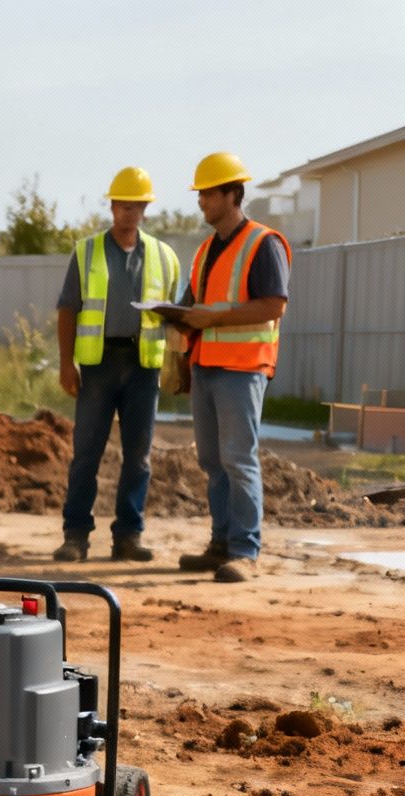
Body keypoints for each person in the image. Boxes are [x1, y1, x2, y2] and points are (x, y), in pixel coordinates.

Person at [52, 167, 183, 564]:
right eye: (122, 204)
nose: (128, 212)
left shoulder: (164, 257)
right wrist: (65, 363)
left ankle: (128, 535)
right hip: (99, 364)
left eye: (136, 205)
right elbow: (68, 310)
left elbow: (175, 316)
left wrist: (177, 366)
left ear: (145, 209)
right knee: (86, 453)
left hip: (143, 366)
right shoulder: (87, 251)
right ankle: (76, 535)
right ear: (112, 207)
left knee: (139, 456)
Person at [171, 152, 290, 584]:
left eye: (208, 193)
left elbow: (273, 304)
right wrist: (174, 325)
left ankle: (245, 550)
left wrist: (213, 318)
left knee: (238, 459)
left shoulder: (264, 243)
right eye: (201, 193)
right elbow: (193, 306)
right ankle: (221, 543)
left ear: (232, 194)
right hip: (205, 365)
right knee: (212, 461)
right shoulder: (205, 250)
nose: (201, 201)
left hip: (242, 367)